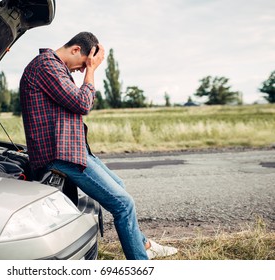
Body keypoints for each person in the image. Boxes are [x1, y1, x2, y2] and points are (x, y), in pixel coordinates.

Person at [19, 31, 177, 260]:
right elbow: (82, 102)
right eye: (84, 63)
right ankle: (141, 262)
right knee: (123, 204)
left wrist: (88, 67)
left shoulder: (53, 67)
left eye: (86, 68)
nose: (82, 70)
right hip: (61, 155)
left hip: (73, 151)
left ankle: (144, 246)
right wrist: (92, 71)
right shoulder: (47, 65)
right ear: (75, 50)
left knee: (119, 186)